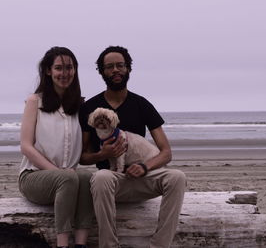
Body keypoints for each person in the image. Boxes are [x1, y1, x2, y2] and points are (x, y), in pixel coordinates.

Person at [79, 46, 187, 248]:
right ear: (102, 72)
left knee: (177, 177)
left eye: (120, 65)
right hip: (112, 182)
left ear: (128, 68)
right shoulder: (90, 108)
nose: (115, 70)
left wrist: (145, 167)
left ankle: (160, 245)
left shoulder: (141, 104)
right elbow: (82, 157)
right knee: (101, 176)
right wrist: (102, 154)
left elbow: (166, 153)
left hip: (143, 179)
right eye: (109, 67)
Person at [19, 46, 93, 248]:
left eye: (69, 68)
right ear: (48, 71)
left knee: (86, 177)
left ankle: (80, 244)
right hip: (34, 177)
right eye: (59, 68)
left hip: (69, 180)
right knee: (69, 177)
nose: (65, 73)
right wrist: (58, 172)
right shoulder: (35, 101)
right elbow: (26, 146)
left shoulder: (80, 106)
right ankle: (62, 244)